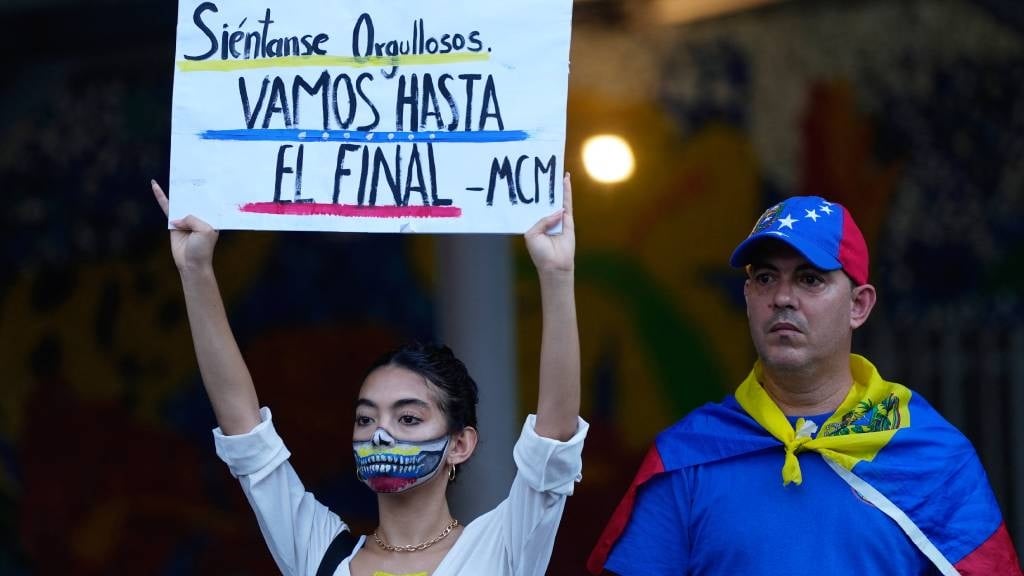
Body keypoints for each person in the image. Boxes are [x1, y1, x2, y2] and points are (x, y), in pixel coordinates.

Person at [151, 174, 587, 576]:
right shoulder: (320, 554)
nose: (380, 433)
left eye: (408, 418)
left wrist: (556, 274)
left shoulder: (502, 549)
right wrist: (196, 271)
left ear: (460, 444)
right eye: (366, 418)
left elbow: (553, 444)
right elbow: (246, 435)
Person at [587, 196, 1022, 575]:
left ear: (859, 305)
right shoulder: (687, 457)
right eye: (765, 278)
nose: (782, 297)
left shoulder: (930, 455)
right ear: (747, 297)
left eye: (810, 279)